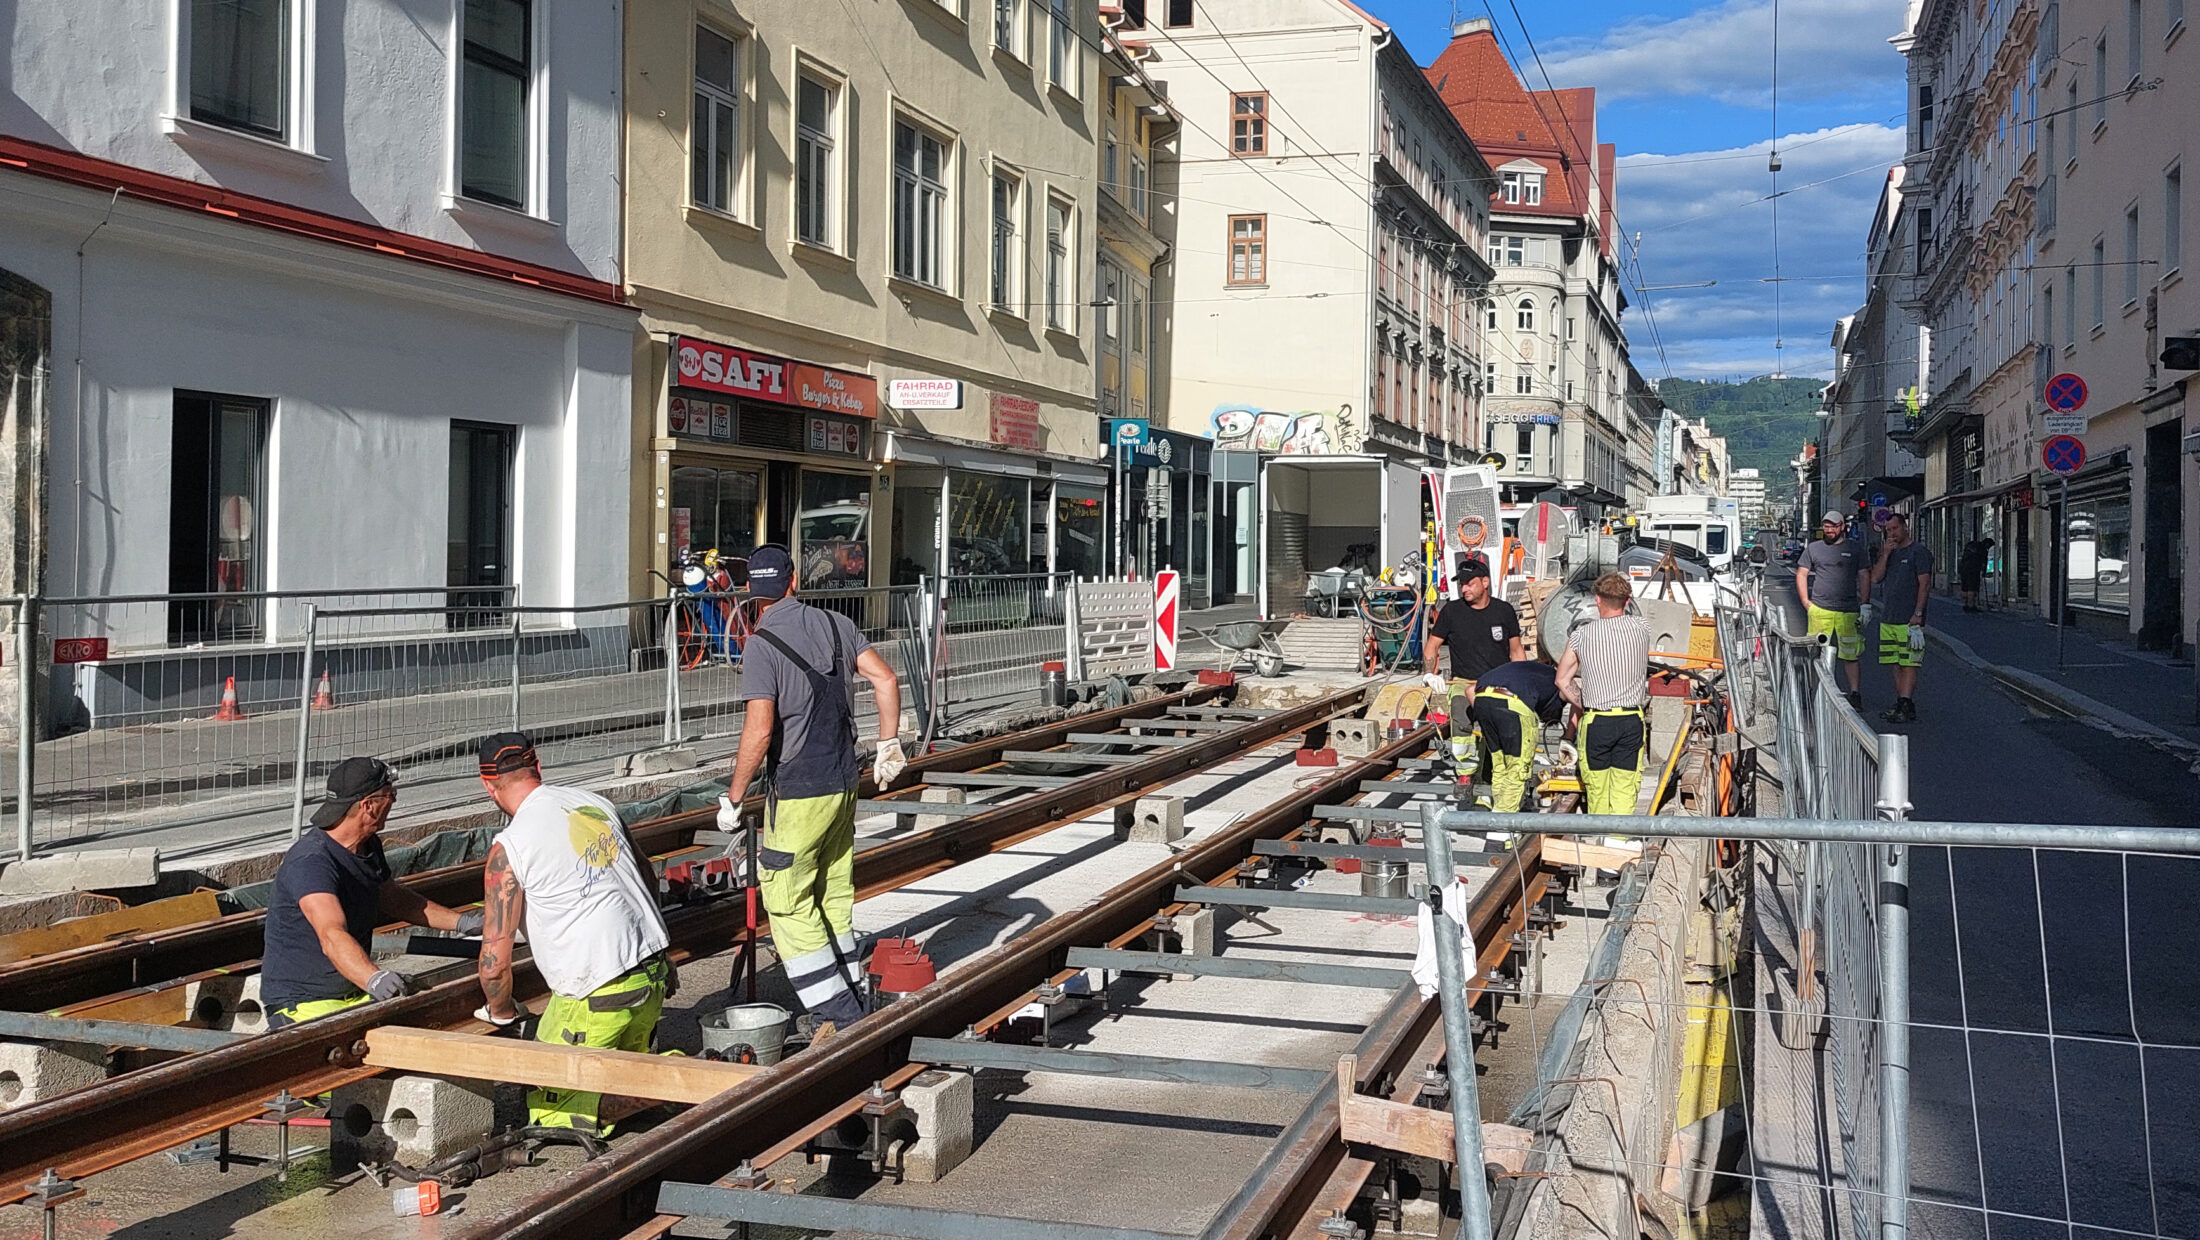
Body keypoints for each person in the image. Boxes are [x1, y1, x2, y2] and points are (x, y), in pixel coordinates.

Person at [722, 544, 905, 1034]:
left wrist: (735, 796)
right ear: (794, 580)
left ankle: (837, 1014)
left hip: (799, 790)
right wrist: (889, 744)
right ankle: (852, 988)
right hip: (844, 781)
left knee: (787, 898)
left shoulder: (760, 644)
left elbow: (760, 730)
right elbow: (885, 680)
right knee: (832, 890)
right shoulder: (836, 626)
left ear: (752, 592)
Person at [473, 732, 673, 1133]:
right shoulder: (594, 803)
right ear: (539, 767)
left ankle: (682, 1083)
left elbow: (494, 964)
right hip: (653, 975)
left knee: (550, 1101)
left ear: (487, 786)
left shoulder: (509, 847)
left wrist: (501, 1011)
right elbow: (646, 877)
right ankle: (664, 1079)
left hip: (598, 991)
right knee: (620, 1068)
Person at [261, 758, 478, 1029]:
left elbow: (394, 899)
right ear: (368, 805)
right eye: (390, 795)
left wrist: (463, 923)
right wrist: (372, 978)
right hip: (304, 1003)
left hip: (352, 990)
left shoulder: (367, 846)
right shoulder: (312, 862)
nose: (394, 802)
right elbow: (331, 934)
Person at [1554, 573, 1655, 817]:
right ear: (1627, 601)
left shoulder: (1581, 636)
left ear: (1597, 600)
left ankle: (1597, 841)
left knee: (1597, 788)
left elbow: (1562, 680)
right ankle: (1618, 842)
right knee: (1625, 786)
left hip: (1597, 720)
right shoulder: (1642, 628)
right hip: (1631, 720)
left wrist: (1583, 701)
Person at [1468, 658, 1565, 813]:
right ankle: (1503, 825)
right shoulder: (1558, 684)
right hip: (1513, 704)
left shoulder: (1532, 673)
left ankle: (1497, 811)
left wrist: (1494, 719)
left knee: (1499, 766)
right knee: (1518, 769)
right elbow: (1572, 704)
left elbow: (1469, 690)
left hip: (1481, 699)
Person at [1868, 512, 1936, 723]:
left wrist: (1918, 613)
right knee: (1894, 661)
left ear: (1905, 527)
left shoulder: (1919, 552)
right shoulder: (1890, 553)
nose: (1892, 533)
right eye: (1888, 530)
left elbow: (1924, 584)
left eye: (1895, 529)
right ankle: (1902, 702)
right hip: (1888, 617)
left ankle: (1906, 702)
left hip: (1908, 619)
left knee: (1909, 662)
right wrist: (1886, 554)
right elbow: (1876, 578)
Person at [1796, 511, 1868, 709]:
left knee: (1850, 654)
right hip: (1820, 610)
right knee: (1816, 651)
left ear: (1842, 526)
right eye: (1826, 526)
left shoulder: (1855, 549)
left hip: (1848, 611)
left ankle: (1855, 693)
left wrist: (1865, 603)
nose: (1829, 530)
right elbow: (1801, 574)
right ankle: (1815, 691)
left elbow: (1864, 575)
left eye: (1833, 526)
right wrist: (1805, 601)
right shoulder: (1814, 548)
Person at [1958, 537, 1993, 612]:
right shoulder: (1983, 550)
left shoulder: (1971, 545)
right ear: (1987, 544)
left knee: (1965, 587)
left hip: (1963, 569)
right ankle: (1971, 606)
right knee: (1972, 588)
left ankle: (1965, 604)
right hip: (1973, 570)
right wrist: (1984, 572)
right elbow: (1984, 563)